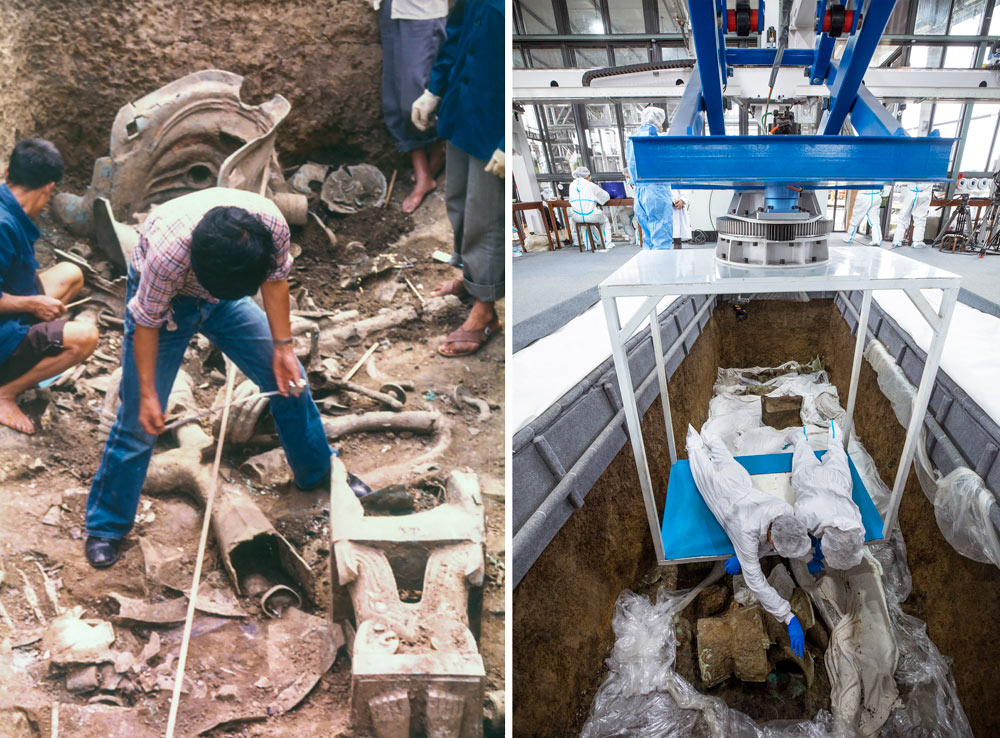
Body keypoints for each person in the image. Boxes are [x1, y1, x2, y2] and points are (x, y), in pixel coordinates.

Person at [85, 188, 335, 569]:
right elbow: (147, 323)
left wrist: (283, 349)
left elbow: (275, 282)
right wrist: (150, 393)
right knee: (138, 416)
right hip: (168, 301)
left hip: (227, 299)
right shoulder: (168, 255)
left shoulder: (269, 227)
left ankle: (317, 474)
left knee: (291, 381)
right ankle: (106, 526)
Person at [410, 0, 504, 357]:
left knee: (485, 215)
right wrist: (436, 88)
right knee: (460, 202)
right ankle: (472, 277)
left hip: (493, 121)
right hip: (465, 107)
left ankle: (485, 309)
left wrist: (506, 144)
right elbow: (459, 32)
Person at [0, 139, 99, 435]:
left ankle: (31, 342)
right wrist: (32, 305)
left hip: (11, 306)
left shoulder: (7, 201)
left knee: (72, 274)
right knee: (86, 337)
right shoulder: (3, 225)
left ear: (7, 173)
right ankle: (5, 393)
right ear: (48, 189)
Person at [686, 425, 812, 657]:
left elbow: (774, 538)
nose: (774, 548)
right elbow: (756, 583)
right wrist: (787, 615)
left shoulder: (784, 511)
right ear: (773, 539)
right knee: (697, 456)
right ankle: (694, 436)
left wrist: (809, 554)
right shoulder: (746, 533)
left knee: (722, 453)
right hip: (724, 498)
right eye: (775, 547)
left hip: (741, 481)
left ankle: (709, 434)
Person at [374, 0, 447, 213]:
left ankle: (438, 150)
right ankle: (423, 172)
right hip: (390, 8)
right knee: (394, 96)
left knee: (415, 99)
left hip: (422, 11)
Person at [787, 422, 865, 573]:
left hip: (838, 481)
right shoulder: (807, 514)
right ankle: (799, 436)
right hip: (810, 479)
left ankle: (833, 429)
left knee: (837, 451)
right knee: (801, 449)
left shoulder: (856, 525)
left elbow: (855, 535)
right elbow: (793, 532)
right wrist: (807, 557)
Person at [626, 107, 674, 249]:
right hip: (656, 192)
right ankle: (661, 270)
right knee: (661, 237)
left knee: (647, 237)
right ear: (660, 122)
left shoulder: (632, 140)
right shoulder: (658, 139)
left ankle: (650, 269)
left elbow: (631, 167)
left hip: (639, 193)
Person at [567, 166, 611, 251]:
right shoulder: (591, 185)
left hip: (576, 216)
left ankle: (589, 245)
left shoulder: (571, 185)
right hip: (591, 214)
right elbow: (605, 197)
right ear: (587, 176)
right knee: (605, 221)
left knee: (585, 224)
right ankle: (607, 244)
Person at [891, 182, 933, 248]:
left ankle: (897, 240)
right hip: (924, 193)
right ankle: (917, 241)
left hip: (912, 191)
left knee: (903, 216)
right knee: (920, 218)